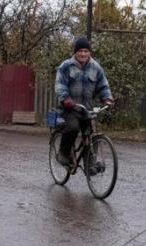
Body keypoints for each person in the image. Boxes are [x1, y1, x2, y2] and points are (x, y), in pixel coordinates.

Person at [54, 36, 113, 170]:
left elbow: (103, 85)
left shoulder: (96, 67)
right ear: (75, 52)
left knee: (91, 133)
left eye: (86, 51)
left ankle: (89, 164)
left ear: (89, 52)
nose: (83, 54)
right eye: (80, 51)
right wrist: (66, 99)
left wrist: (107, 98)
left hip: (87, 109)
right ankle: (63, 154)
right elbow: (60, 85)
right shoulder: (66, 66)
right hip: (70, 108)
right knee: (73, 128)